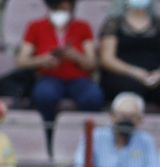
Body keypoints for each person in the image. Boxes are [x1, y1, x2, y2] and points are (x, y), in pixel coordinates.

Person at [14, 0, 103, 129]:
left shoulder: (83, 26)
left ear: (72, 9)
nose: (60, 13)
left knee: (93, 97)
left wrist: (76, 56)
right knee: (44, 96)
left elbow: (92, 64)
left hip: (79, 79)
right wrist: (42, 60)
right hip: (48, 77)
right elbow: (21, 61)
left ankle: (84, 136)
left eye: (64, 9)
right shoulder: (35, 26)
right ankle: (48, 134)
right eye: (57, 9)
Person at [73, 91, 160, 167]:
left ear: (140, 119)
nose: (126, 121)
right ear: (112, 116)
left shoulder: (146, 141)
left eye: (132, 117)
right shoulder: (94, 137)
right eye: (122, 116)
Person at [98, 0, 160, 115]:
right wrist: (134, 72)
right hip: (123, 75)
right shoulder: (114, 23)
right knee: (132, 89)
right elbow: (107, 59)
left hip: (155, 76)